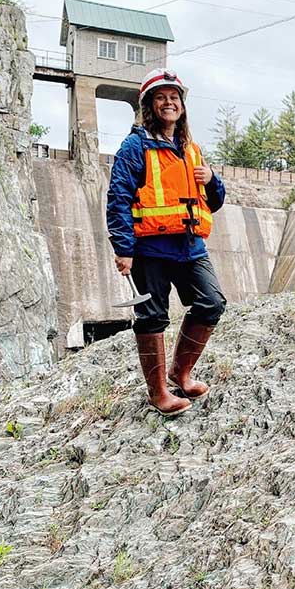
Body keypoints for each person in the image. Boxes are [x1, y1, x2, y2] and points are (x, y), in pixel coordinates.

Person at [106, 69, 227, 417]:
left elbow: (213, 201)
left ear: (182, 105)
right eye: (161, 97)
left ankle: (181, 373)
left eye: (174, 97)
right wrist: (124, 248)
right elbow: (118, 198)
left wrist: (213, 179)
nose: (168, 102)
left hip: (190, 246)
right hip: (150, 249)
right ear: (149, 106)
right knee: (152, 316)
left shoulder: (191, 149)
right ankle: (158, 392)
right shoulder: (134, 146)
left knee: (211, 303)